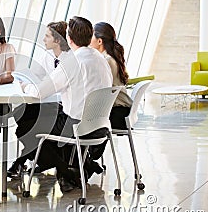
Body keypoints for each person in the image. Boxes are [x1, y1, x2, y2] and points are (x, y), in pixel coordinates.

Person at [21, 16, 113, 193]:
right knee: (49, 120)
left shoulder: (72, 63)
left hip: (78, 127)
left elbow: (39, 92)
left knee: (27, 127)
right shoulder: (100, 59)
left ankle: (67, 173)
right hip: (101, 126)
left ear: (69, 39)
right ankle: (77, 168)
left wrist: (25, 87)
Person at [8, 21, 72, 178]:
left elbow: (49, 86)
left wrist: (27, 87)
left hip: (64, 108)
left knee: (25, 129)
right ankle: (44, 159)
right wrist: (25, 81)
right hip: (49, 102)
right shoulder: (48, 55)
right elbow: (35, 75)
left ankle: (31, 160)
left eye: (47, 36)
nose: (43, 39)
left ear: (57, 40)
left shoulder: (70, 60)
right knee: (21, 113)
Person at [90, 22, 133, 129]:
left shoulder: (106, 60)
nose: (88, 41)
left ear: (99, 41)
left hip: (117, 115)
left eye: (91, 37)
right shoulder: (111, 57)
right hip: (122, 112)